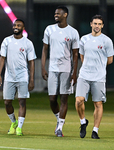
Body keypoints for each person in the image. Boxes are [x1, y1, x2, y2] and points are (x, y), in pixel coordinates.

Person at [41, 6, 79, 137]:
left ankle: (60, 128)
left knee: (64, 98)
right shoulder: (49, 29)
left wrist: (74, 72)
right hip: (52, 69)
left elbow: (75, 54)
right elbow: (45, 49)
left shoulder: (73, 32)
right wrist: (43, 67)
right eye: (55, 13)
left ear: (65, 14)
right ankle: (59, 119)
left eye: (58, 13)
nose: (55, 15)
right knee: (52, 99)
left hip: (66, 70)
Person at [75, 15, 113, 139]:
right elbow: (82, 56)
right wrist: (88, 66)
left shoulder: (106, 41)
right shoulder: (84, 39)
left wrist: (99, 66)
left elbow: (110, 59)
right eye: (95, 23)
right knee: (79, 100)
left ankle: (95, 131)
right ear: (91, 24)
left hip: (99, 77)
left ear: (102, 26)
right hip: (84, 75)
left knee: (98, 103)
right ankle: (83, 122)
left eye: (99, 24)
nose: (97, 26)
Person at [0, 19, 36, 136]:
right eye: (14, 25)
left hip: (23, 76)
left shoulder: (27, 43)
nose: (16, 27)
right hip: (9, 77)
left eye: (19, 25)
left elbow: (31, 62)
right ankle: (14, 122)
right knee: (7, 102)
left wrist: (32, 79)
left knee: (22, 101)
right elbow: (2, 58)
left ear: (23, 28)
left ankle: (19, 127)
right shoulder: (7, 41)